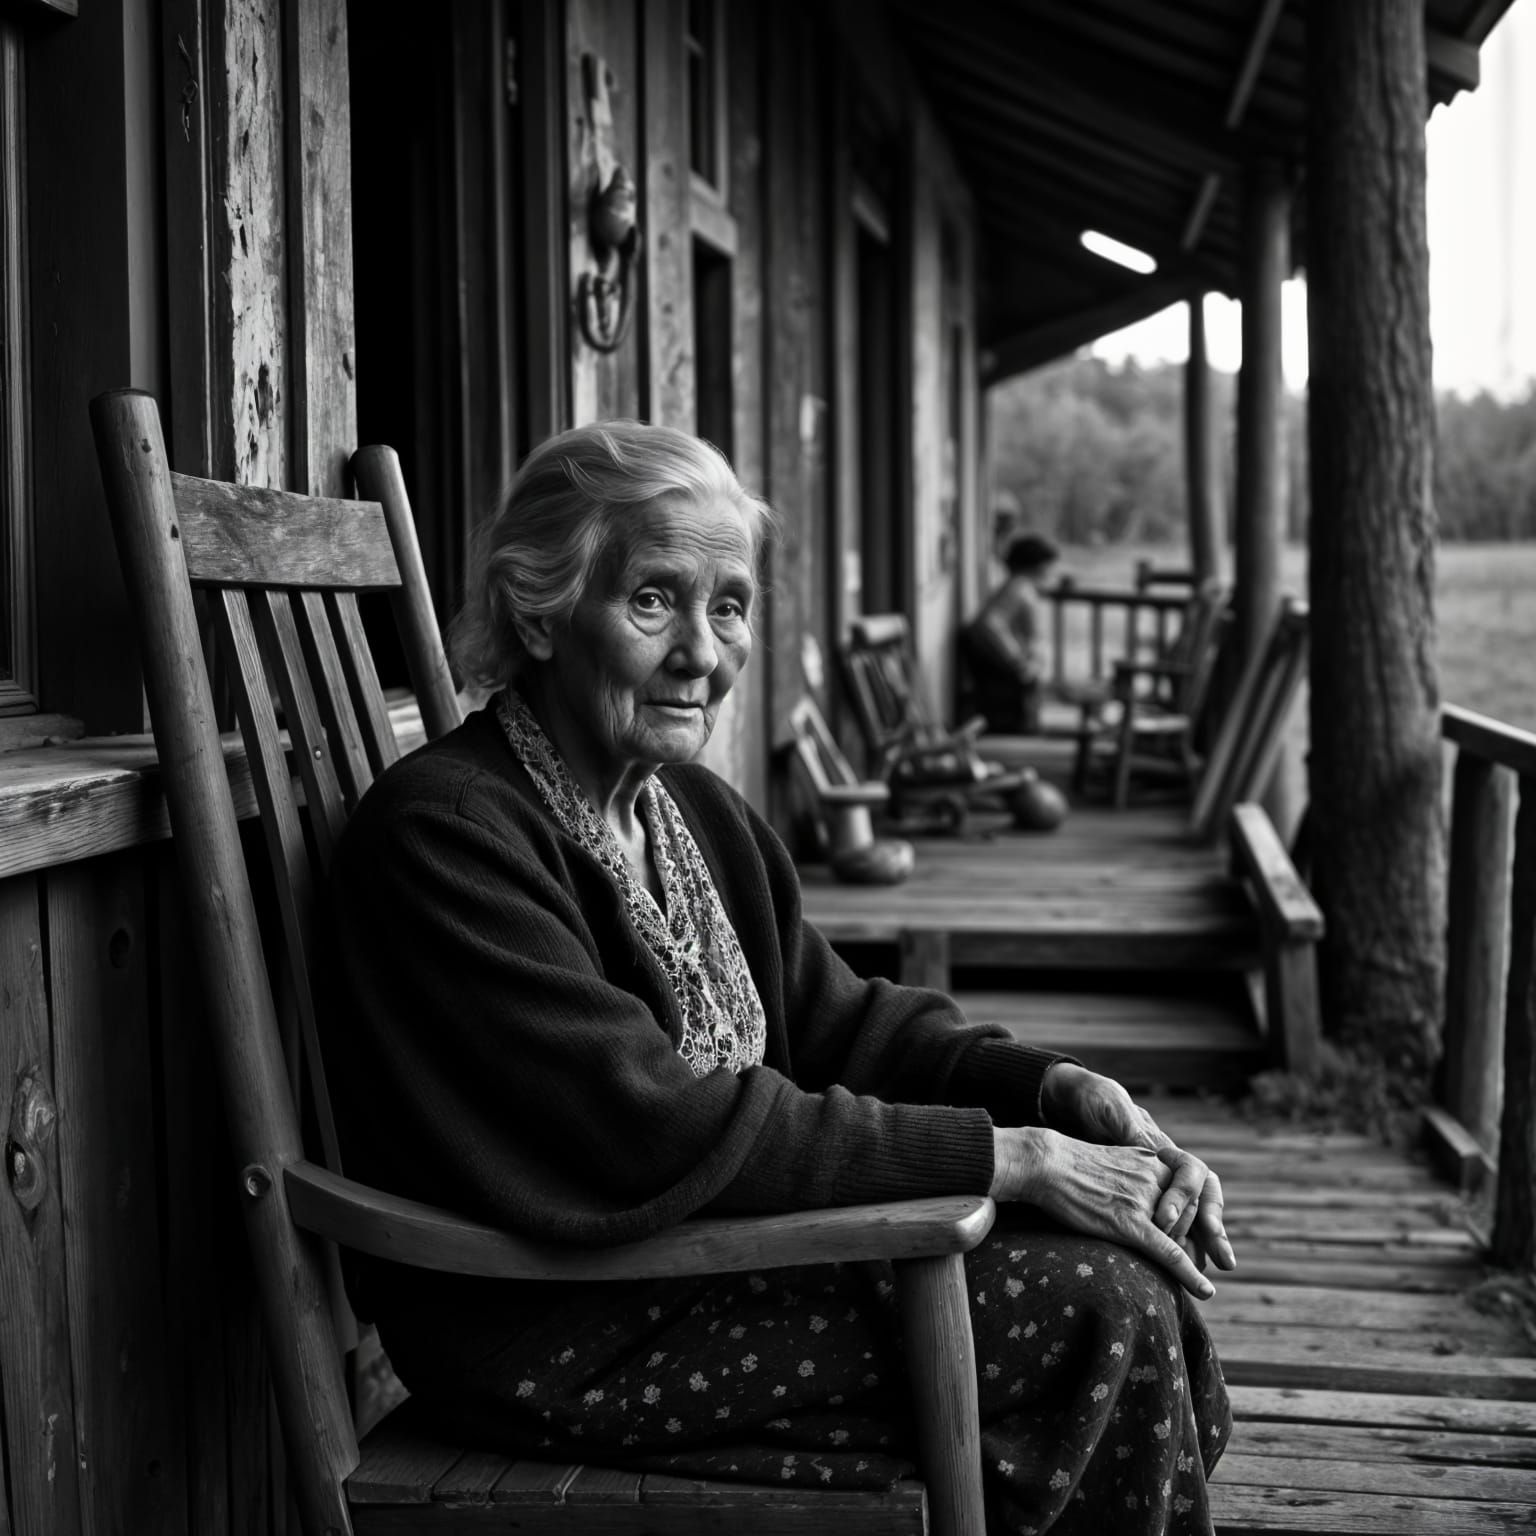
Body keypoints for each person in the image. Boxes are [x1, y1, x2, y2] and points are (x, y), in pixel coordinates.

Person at [322, 422, 1233, 1536]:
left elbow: (843, 1021)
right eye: (655, 599)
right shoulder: (448, 834)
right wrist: (1015, 1160)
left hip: (706, 1265)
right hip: (558, 1322)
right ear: (540, 613)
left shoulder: (689, 809)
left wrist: (1049, 1090)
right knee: (1101, 1310)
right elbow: (652, 1121)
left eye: (731, 604)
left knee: (1134, 1281)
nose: (704, 650)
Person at [961, 532, 1060, 733]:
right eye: (1050, 564)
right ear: (1039, 564)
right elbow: (989, 623)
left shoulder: (1021, 586)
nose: (1052, 570)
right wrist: (1017, 659)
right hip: (1009, 683)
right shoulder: (1019, 587)